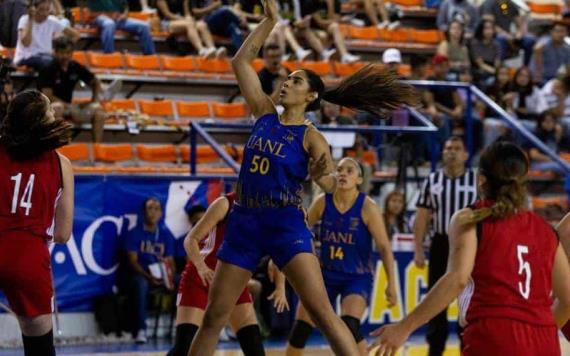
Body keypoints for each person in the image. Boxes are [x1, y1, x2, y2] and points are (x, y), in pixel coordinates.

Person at [187, 0, 416, 354]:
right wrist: (270, 21)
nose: (285, 83)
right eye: (286, 78)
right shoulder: (264, 113)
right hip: (245, 220)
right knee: (215, 316)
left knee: (323, 314)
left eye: (295, 81)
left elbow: (328, 183)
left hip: (285, 223)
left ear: (310, 96)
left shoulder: (312, 137)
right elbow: (240, 62)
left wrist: (320, 174)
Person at [371, 141, 570, 356]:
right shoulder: (546, 231)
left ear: (481, 179)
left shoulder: (471, 217)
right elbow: (568, 299)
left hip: (494, 334)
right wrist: (543, 330)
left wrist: (404, 327)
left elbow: (457, 279)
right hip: (544, 342)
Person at [285, 157, 397, 356]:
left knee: (349, 325)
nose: (343, 173)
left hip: (356, 277)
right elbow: (300, 230)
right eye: (339, 170)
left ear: (359, 180)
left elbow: (384, 247)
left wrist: (392, 284)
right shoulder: (323, 202)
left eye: (349, 171)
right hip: (325, 276)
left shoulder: (368, 207)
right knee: (301, 327)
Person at [0, 90, 74, 356]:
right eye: (49, 110)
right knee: (40, 350)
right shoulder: (61, 163)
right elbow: (63, 234)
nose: (54, 111)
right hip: (27, 258)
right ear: (41, 122)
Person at [168, 192, 288, 356]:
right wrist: (201, 267)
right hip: (201, 277)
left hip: (233, 281)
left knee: (254, 347)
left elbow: (278, 255)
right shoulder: (225, 203)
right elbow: (190, 240)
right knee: (184, 347)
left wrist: (280, 287)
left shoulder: (268, 213)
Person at [413, 136, 477, 356]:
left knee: (468, 297)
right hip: (441, 243)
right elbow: (421, 217)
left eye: (457, 148)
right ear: (442, 153)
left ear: (466, 155)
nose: (452, 152)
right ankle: (435, 349)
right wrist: (418, 249)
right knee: (437, 297)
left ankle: (467, 347)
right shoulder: (432, 180)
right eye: (448, 148)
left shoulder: (476, 180)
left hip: (471, 243)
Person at [124, 197, 175, 344]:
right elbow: (132, 261)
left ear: (161, 213)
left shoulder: (165, 234)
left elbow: (170, 260)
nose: (153, 212)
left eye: (157, 209)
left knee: (185, 281)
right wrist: (149, 276)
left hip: (161, 274)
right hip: (142, 275)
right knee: (141, 284)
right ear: (143, 212)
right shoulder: (134, 233)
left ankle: (186, 325)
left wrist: (168, 276)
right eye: (150, 208)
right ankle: (141, 329)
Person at [37, 36, 107, 142]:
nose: (65, 56)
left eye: (68, 52)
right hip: (49, 108)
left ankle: (97, 149)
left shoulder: (74, 66)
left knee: (99, 112)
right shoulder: (47, 68)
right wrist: (69, 106)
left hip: (70, 108)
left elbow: (95, 82)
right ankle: (54, 148)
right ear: (55, 52)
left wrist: (94, 100)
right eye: (62, 53)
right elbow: (47, 96)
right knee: (58, 107)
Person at [14, 0, 79, 71]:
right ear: (34, 9)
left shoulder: (52, 20)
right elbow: (26, 43)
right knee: (50, 63)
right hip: (26, 57)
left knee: (69, 64)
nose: (45, 13)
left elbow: (75, 35)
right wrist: (31, 20)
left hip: (47, 56)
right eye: (41, 10)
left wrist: (64, 48)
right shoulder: (24, 20)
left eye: (47, 9)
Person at [293, 0, 360, 63]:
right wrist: (332, 20)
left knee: (335, 26)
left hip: (326, 28)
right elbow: (320, 22)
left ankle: (344, 55)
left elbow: (336, 21)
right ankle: (323, 58)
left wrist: (330, 5)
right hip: (312, 28)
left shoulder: (335, 2)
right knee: (323, 35)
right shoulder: (310, 2)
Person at [155, 0, 226, 58]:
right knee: (189, 24)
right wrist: (184, 19)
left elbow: (187, 13)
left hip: (183, 21)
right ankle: (201, 50)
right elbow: (167, 15)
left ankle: (212, 49)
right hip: (166, 23)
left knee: (202, 25)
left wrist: (188, 17)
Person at [83, 0, 156, 55]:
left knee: (144, 26)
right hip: (99, 18)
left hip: (118, 19)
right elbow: (91, 12)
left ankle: (149, 55)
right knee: (109, 24)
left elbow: (126, 7)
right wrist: (110, 15)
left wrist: (125, 15)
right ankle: (109, 54)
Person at [479, 0, 535, 65]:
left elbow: (520, 23)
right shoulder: (488, 4)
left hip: (508, 35)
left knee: (530, 41)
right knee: (501, 39)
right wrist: (507, 36)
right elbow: (491, 24)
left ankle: (525, 68)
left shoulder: (510, 4)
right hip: (493, 35)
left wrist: (519, 33)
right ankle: (499, 68)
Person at [470, 19, 502, 89]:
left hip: (492, 69)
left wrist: (496, 70)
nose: (489, 31)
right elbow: (480, 63)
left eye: (491, 28)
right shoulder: (475, 43)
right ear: (481, 30)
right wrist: (495, 71)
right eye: (486, 28)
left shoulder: (497, 45)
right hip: (478, 70)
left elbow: (497, 62)